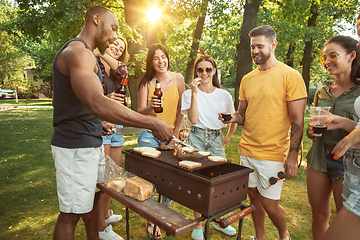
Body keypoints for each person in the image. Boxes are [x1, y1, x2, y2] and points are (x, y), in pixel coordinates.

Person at [51, 6, 173, 240]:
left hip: (91, 141)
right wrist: (151, 123)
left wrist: (98, 123)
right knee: (71, 215)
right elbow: (97, 103)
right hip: (75, 147)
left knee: (94, 206)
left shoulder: (89, 55)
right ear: (96, 19)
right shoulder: (77, 52)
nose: (116, 35)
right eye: (114, 27)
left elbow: (75, 103)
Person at [222, 25, 307, 240]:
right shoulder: (247, 79)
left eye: (260, 46)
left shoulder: (291, 76)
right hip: (247, 151)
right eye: (252, 47)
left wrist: (293, 155)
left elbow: (297, 121)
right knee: (253, 199)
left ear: (273, 44)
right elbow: (242, 113)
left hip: (273, 154)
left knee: (269, 203)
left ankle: (283, 235)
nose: (255, 51)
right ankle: (260, 237)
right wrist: (232, 118)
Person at [305, 35, 360, 240]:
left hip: (347, 161)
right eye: (323, 58)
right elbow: (317, 125)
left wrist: (340, 121)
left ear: (352, 55)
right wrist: (312, 132)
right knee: (319, 214)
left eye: (333, 55)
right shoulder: (322, 91)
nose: (327, 61)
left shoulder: (359, 93)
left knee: (344, 218)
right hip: (319, 156)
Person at [181, 49, 238, 240]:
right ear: (196, 72)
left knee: (219, 181)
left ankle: (218, 220)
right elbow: (194, 119)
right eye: (200, 70)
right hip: (196, 136)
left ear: (214, 71)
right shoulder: (189, 94)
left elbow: (233, 119)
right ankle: (197, 223)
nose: (204, 74)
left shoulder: (224, 95)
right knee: (197, 181)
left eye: (208, 70)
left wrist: (227, 137)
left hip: (216, 138)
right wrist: (195, 93)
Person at [137, 43, 185, 239]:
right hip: (148, 135)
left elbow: (182, 108)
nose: (160, 61)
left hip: (171, 136)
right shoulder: (145, 82)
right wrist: (150, 106)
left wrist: (176, 132)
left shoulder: (178, 79)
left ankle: (162, 216)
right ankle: (151, 219)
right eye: (156, 58)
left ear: (167, 57)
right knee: (150, 180)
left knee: (170, 181)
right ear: (151, 62)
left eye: (163, 56)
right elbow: (139, 112)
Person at [94, 36, 129, 239]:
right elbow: (91, 97)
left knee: (113, 177)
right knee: (103, 179)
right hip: (103, 126)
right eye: (114, 43)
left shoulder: (117, 71)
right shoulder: (95, 63)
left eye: (121, 47)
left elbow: (124, 70)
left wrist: (103, 53)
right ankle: (101, 229)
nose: (117, 48)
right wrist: (106, 99)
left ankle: (105, 214)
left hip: (118, 126)